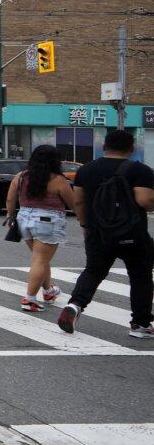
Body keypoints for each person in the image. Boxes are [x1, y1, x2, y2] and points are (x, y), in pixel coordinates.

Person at [58, 130, 154, 337]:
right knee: (140, 276)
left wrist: (85, 226)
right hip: (132, 233)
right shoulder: (141, 170)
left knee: (93, 271)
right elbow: (145, 201)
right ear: (132, 148)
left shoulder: (86, 170)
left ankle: (75, 305)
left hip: (97, 232)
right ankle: (140, 324)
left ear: (104, 146)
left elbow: (79, 201)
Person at [5, 145, 75, 311]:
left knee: (41, 258)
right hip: (47, 220)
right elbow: (73, 203)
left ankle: (48, 290)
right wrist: (84, 219)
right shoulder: (58, 179)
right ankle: (29, 299)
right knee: (40, 259)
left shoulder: (21, 176)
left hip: (24, 218)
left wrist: (9, 216)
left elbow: (10, 199)